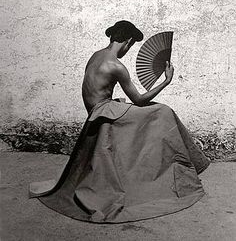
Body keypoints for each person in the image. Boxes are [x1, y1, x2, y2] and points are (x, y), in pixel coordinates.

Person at [29, 20, 210, 223]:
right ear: (128, 41)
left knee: (155, 112)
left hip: (96, 112)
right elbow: (139, 100)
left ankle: (168, 167)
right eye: (131, 46)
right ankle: (183, 167)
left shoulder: (96, 55)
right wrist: (165, 81)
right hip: (106, 112)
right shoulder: (116, 65)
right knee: (163, 112)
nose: (128, 49)